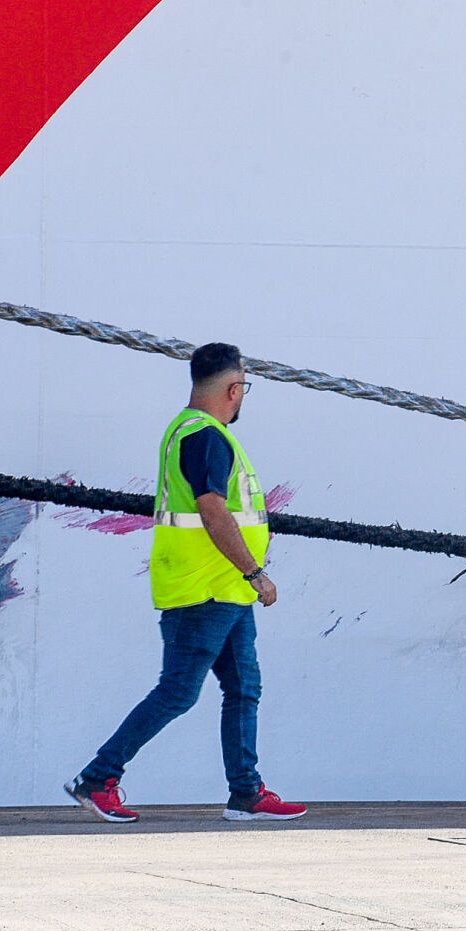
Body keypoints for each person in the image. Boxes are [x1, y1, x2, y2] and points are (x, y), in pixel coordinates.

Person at [64, 343, 306, 823]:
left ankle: (246, 792)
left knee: (243, 689)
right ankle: (98, 777)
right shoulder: (206, 436)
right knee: (177, 691)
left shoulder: (192, 431)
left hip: (225, 590)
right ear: (235, 389)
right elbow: (213, 510)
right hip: (206, 589)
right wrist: (255, 572)